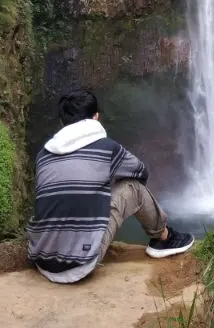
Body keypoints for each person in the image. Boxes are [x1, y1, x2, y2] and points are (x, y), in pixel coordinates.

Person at [27, 89, 194, 283]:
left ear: (62, 123)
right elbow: (141, 173)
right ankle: (164, 238)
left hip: (42, 259)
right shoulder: (106, 148)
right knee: (133, 188)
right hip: (79, 264)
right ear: (96, 117)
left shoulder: (42, 156)